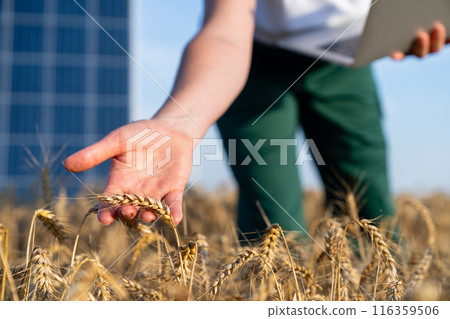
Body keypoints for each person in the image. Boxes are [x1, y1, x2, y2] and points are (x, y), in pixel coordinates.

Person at [64, 1, 448, 235]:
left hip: (348, 57)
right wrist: (176, 122)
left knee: (371, 205)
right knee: (274, 224)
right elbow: (225, 31)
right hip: (250, 61)